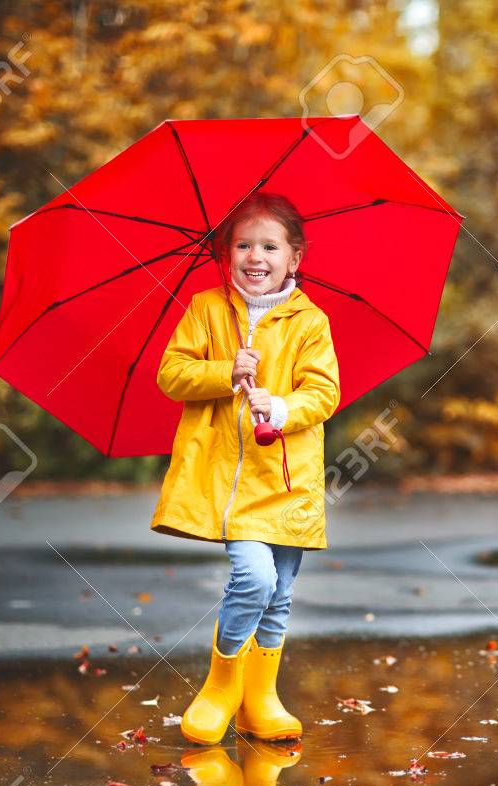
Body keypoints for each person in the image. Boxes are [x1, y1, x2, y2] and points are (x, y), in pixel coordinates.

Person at [150, 191, 340, 745]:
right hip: (232, 484)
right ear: (226, 253)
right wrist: (223, 371)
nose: (256, 256)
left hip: (288, 479)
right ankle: (220, 685)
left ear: (294, 257)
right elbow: (171, 374)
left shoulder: (311, 321)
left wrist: (280, 407)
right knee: (254, 578)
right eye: (244, 244)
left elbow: (323, 392)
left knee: (280, 592)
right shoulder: (207, 309)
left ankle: (261, 700)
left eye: (270, 246)